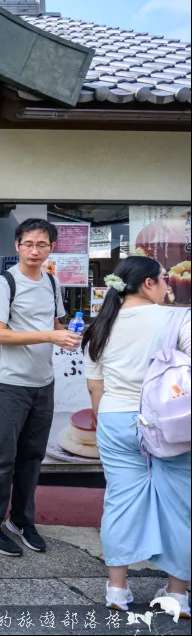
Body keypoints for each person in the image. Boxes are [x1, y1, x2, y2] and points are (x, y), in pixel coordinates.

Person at [82, 257, 191, 615]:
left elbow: (95, 386)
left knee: (120, 500)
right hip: (167, 421)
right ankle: (177, 593)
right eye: (163, 279)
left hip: (115, 417)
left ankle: (116, 589)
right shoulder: (178, 318)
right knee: (180, 502)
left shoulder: (100, 324)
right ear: (147, 283)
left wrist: (102, 422)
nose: (168, 285)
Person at [0, 218, 81, 557]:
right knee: (1, 456)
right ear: (16, 246)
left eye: (42, 245)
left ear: (52, 248)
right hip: (7, 383)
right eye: (29, 244)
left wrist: (70, 333)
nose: (35, 250)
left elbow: (54, 322)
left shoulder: (51, 281)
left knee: (33, 457)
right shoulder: (3, 283)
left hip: (42, 383)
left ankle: (21, 520)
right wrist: (51, 335)